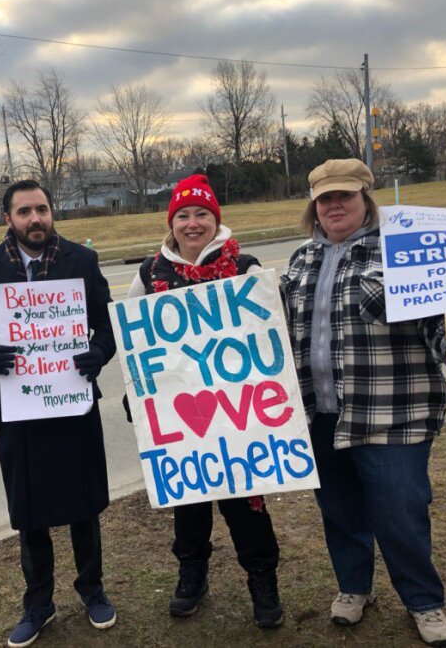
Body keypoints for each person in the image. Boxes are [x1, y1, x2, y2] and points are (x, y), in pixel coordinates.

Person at [280, 159, 446, 647]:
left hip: (393, 414)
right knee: (339, 508)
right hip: (319, 414)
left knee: (400, 511)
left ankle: (424, 600)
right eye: (325, 198)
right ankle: (354, 588)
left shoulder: (404, 252)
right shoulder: (298, 261)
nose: (335, 205)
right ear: (314, 206)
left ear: (365, 199)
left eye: (345, 196)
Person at [0, 180, 118, 647]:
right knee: (30, 512)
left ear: (52, 213)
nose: (35, 219)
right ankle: (38, 603)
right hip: (19, 406)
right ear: (7, 218)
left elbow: (108, 325)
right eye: (24, 211)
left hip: (72, 402)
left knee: (84, 505)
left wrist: (99, 353)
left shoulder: (81, 262)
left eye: (42, 209)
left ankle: (92, 590)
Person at [125, 174, 283, 629]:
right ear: (170, 222)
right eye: (183, 216)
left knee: (246, 507)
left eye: (202, 215)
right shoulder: (150, 274)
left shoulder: (245, 269)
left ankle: (262, 578)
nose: (192, 224)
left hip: (238, 416)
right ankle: (192, 575)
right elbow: (135, 344)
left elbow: (273, 340)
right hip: (182, 421)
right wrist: (138, 397)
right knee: (189, 507)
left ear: (217, 219)